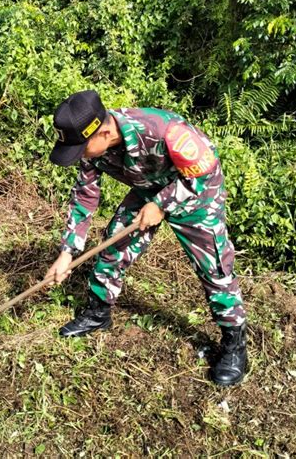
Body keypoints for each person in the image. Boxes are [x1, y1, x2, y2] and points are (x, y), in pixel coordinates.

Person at [46, 90, 247, 386]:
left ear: (103, 132)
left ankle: (234, 344)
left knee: (214, 269)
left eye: (80, 148)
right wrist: (67, 252)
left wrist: (162, 205)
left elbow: (204, 170)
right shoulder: (91, 147)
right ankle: (98, 313)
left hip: (196, 195)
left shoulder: (164, 130)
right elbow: (85, 196)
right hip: (148, 191)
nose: (79, 155)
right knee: (113, 247)